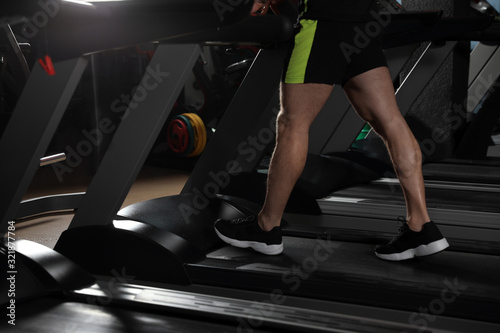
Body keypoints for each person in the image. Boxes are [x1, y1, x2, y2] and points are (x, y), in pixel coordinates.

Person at [214, 0, 450, 261]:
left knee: (293, 124)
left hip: (322, 23)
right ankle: (421, 226)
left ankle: (266, 227)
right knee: (391, 121)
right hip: (364, 22)